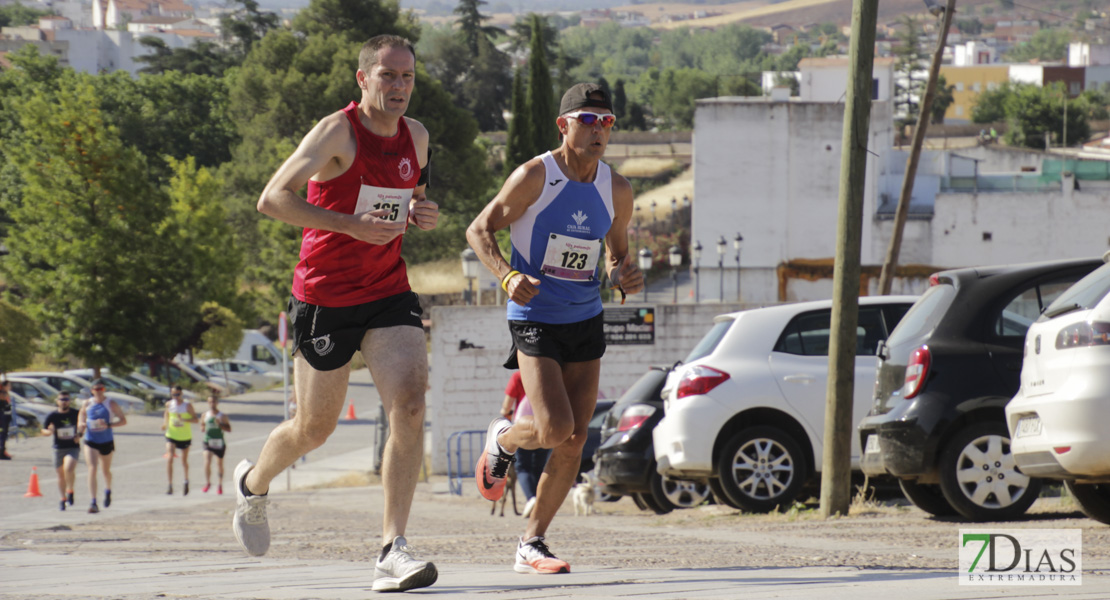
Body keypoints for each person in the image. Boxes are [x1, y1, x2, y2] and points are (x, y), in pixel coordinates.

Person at [238, 34, 439, 593]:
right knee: (313, 429)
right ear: (364, 78)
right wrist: (351, 224)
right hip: (325, 296)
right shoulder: (336, 131)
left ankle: (391, 548)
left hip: (388, 290)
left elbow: (413, 194)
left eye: (407, 77)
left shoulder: (417, 136)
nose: (398, 87)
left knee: (412, 401)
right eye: (388, 76)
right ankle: (254, 485)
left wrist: (424, 213)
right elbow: (272, 197)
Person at [465, 82, 643, 574]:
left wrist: (623, 275)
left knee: (575, 437)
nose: (598, 130)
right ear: (563, 125)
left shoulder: (617, 189)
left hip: (584, 316)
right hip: (535, 316)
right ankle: (504, 439)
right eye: (587, 119)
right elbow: (478, 229)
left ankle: (532, 542)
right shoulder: (534, 176)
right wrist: (506, 274)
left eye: (606, 122)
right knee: (554, 427)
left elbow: (616, 255)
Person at [501, 371, 548, 518]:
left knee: (523, 467)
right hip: (544, 425)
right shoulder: (549, 373)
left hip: (524, 427)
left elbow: (506, 407)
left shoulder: (519, 376)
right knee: (539, 467)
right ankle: (539, 502)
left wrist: (506, 414)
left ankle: (531, 498)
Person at [77, 379, 127, 513]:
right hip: (91, 440)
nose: (99, 392)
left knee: (106, 471)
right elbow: (81, 416)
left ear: (104, 390)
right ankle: (93, 502)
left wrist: (109, 425)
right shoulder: (87, 403)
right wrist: (81, 426)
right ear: (92, 390)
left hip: (106, 440)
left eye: (101, 389)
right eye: (96, 389)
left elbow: (123, 420)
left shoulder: (111, 403)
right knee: (92, 468)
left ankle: (108, 490)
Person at [41, 391, 81, 511]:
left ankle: (70, 490)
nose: (64, 402)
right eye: (62, 400)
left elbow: (83, 425)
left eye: (66, 399)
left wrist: (79, 434)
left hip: (72, 446)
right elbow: (43, 430)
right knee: (61, 475)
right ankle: (62, 498)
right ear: (57, 401)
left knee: (69, 468)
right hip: (58, 447)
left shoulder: (75, 413)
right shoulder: (52, 416)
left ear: (69, 401)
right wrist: (50, 431)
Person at [162, 385, 197, 495]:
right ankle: (170, 485)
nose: (176, 397)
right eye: (173, 394)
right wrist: (164, 424)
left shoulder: (187, 406)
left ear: (181, 394)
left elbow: (196, 419)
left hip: (184, 436)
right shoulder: (169, 404)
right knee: (170, 458)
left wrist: (184, 419)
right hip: (171, 435)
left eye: (178, 394)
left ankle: (186, 481)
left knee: (184, 461)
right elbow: (166, 414)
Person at [200, 394, 232, 494]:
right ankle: (208, 482)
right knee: (207, 461)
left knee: (219, 464)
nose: (212, 404)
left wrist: (220, 424)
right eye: (210, 402)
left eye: (214, 401)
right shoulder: (205, 415)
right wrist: (203, 427)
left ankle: (220, 484)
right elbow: (202, 426)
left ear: (217, 403)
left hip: (219, 442)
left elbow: (229, 429)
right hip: (208, 441)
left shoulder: (222, 416)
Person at [0, 381, 11, 460]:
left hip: (6, 416)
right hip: (2, 416)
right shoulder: (2, 392)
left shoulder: (5, 392)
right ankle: (1, 452)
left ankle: (3, 451)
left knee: (4, 434)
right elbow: (3, 397)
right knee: (2, 434)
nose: (10, 387)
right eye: (8, 385)